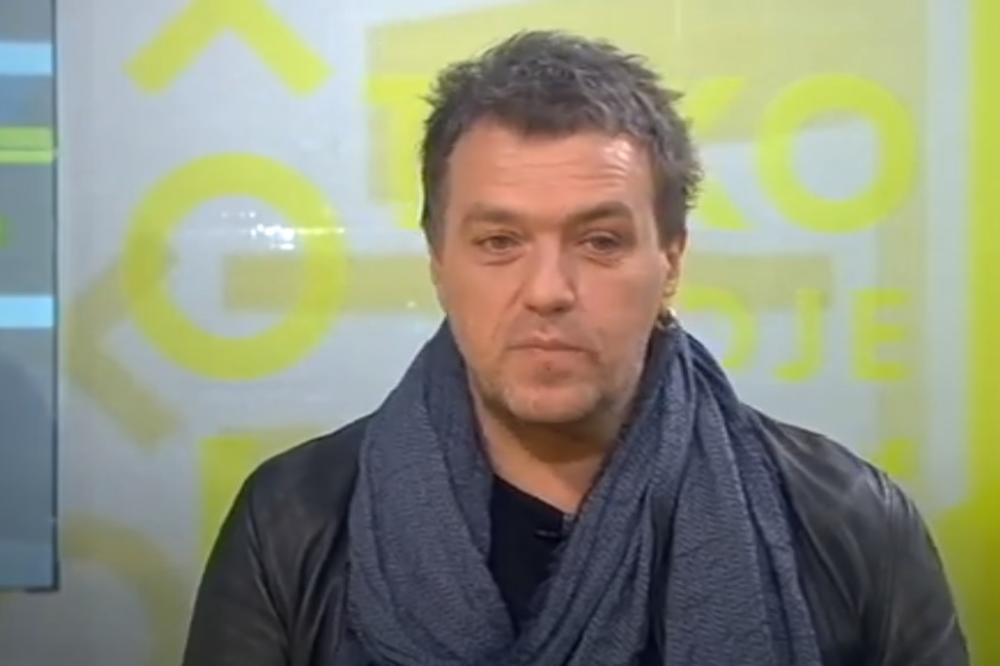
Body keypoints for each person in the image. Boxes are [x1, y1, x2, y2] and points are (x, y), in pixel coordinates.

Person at [183, 31, 967, 666]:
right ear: (438, 263)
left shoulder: (853, 523)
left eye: (600, 241)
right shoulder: (291, 522)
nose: (549, 290)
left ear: (672, 261)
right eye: (499, 241)